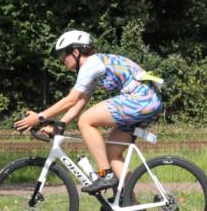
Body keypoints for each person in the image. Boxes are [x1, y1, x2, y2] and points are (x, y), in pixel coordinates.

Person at [14, 30, 164, 194]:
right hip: (147, 100)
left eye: (63, 54)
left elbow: (70, 99)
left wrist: (40, 117)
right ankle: (129, 205)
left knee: (86, 121)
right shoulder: (94, 67)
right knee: (112, 152)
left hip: (141, 98)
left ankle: (104, 174)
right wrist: (59, 126)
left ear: (76, 52)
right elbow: (79, 103)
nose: (62, 60)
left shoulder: (91, 64)